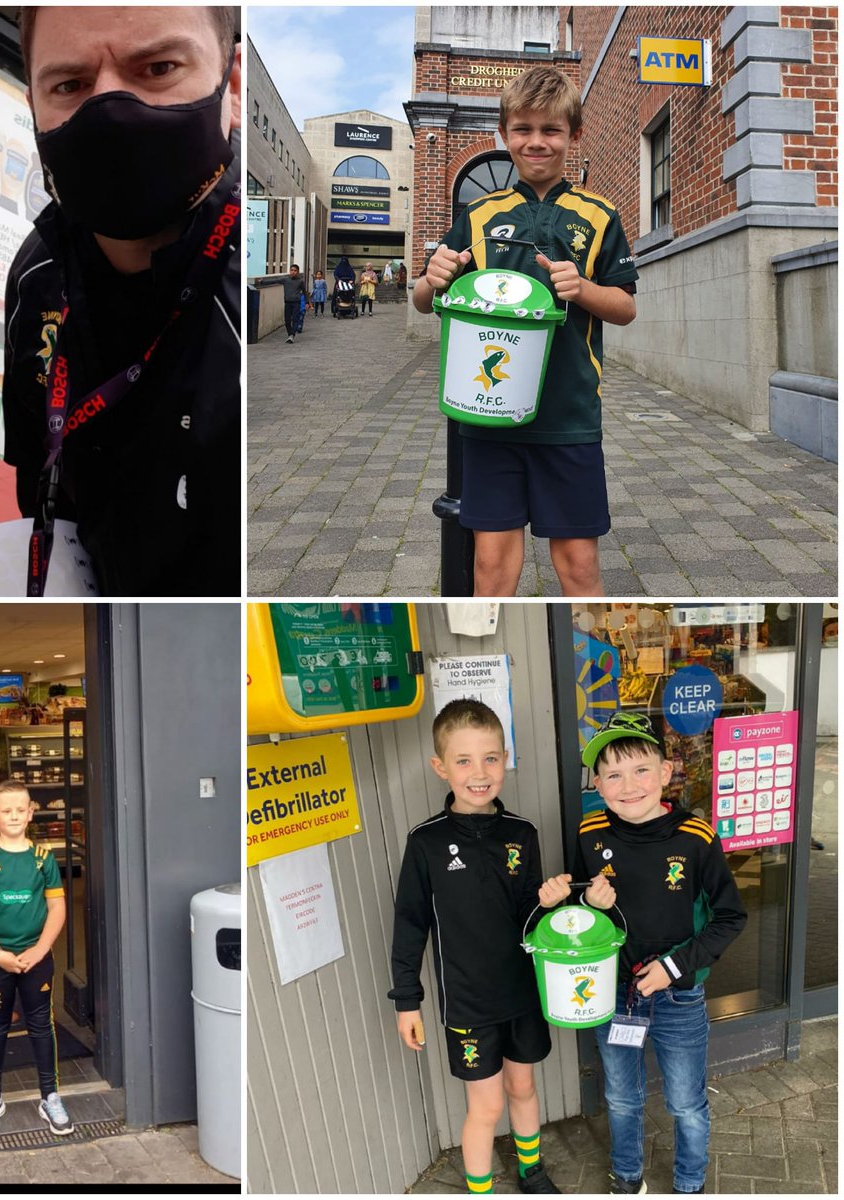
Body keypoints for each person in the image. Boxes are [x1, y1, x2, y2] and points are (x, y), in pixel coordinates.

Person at [2, 6, 242, 597]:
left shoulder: (242, 280)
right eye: (70, 85)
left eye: (158, 68)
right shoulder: (36, 274)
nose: (109, 109)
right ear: (33, 103)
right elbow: (40, 480)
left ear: (231, 84)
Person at [413, 66, 638, 597]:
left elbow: (625, 307)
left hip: (569, 416)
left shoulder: (599, 215)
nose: (536, 142)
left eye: (551, 130)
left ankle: (596, 679)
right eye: (523, 129)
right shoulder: (478, 214)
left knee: (579, 567)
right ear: (504, 134)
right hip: (489, 418)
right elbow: (427, 302)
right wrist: (431, 279)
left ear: (574, 135)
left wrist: (582, 288)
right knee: (491, 569)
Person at [539, 711, 747, 1194]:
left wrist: (674, 967)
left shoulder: (696, 838)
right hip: (612, 995)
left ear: (666, 771)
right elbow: (579, 914)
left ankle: (690, 1183)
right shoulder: (590, 834)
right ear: (597, 782)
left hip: (678, 998)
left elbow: (730, 918)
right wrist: (580, 901)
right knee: (622, 1097)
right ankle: (627, 1178)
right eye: (612, 774)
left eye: (640, 770)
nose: (627, 785)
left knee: (685, 1102)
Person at [390, 700, 559, 1195]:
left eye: (490, 758)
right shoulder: (425, 843)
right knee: (485, 1107)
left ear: (506, 758)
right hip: (469, 1005)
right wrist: (407, 1001)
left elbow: (530, 919)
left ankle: (532, 1170)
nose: (479, 773)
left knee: (523, 1087)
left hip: (524, 997)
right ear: (441, 767)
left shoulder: (521, 834)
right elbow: (409, 924)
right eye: (463, 761)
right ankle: (480, 1189)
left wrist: (547, 904)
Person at [0, 781, 69, 1136]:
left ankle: (50, 1095)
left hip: (37, 959)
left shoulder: (43, 858)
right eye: (5, 811)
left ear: (30, 813)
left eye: (19, 810)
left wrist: (40, 950)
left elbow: (57, 907)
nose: (13, 816)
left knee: (42, 1024)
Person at [282, 263, 306, 344]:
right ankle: (290, 334)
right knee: (287, 320)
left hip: (296, 303)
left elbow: (305, 292)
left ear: (298, 272)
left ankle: (292, 335)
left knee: (295, 319)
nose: (293, 272)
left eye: (295, 271)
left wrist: (307, 303)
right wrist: (262, 281)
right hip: (287, 302)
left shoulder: (300, 281)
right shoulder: (285, 280)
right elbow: (274, 281)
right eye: (291, 270)